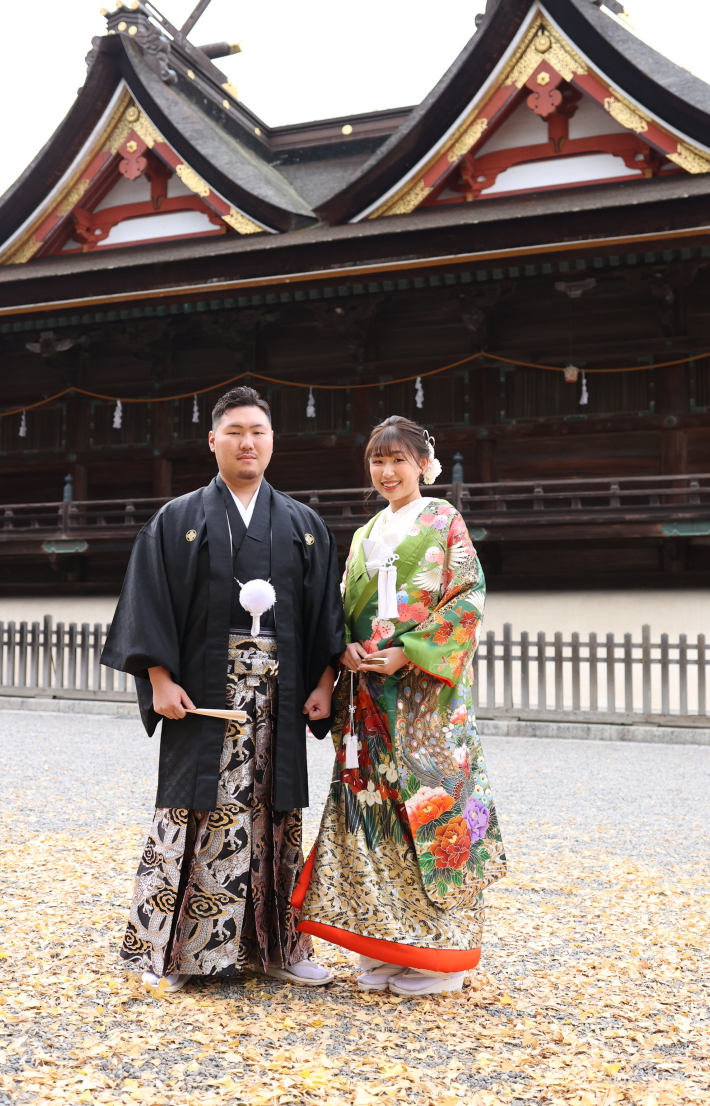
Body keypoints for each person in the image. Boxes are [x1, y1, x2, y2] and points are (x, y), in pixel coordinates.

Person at [101, 385, 345, 990]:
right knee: (193, 810)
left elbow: (325, 615)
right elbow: (149, 601)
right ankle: (179, 955)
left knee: (275, 813)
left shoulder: (303, 524)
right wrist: (159, 678)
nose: (247, 442)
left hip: (281, 696)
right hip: (201, 693)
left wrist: (324, 682)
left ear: (272, 441)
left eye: (257, 432)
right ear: (213, 441)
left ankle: (280, 949)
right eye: (234, 432)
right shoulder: (177, 520)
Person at [294, 416, 506, 996]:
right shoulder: (366, 533)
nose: (387, 472)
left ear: (422, 465)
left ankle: (445, 959)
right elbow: (341, 605)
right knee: (375, 818)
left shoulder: (443, 520)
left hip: (425, 700)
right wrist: (344, 647)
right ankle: (387, 945)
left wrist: (407, 653)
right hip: (367, 696)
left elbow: (468, 597)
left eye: (398, 461)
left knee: (434, 816)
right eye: (377, 461)